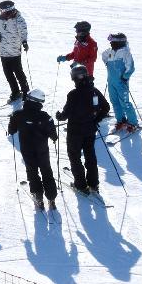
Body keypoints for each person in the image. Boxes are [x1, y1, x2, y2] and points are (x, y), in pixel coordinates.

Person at [55, 64, 110, 194]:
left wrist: (59, 116)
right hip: (90, 130)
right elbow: (106, 107)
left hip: (75, 132)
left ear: (75, 78)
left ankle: (81, 185)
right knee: (90, 155)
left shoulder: (73, 94)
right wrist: (96, 119)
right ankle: (93, 183)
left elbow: (66, 114)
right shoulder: (94, 91)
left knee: (75, 157)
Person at [8, 89, 59, 210]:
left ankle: (38, 195)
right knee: (46, 170)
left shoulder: (18, 114)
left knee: (32, 171)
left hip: (27, 149)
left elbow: (11, 131)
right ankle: (51, 197)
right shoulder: (46, 117)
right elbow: (54, 136)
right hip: (42, 149)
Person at [101, 32, 139, 133]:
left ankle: (133, 122)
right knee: (115, 101)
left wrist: (125, 77)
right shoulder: (110, 51)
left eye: (113, 41)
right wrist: (107, 63)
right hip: (111, 82)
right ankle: (120, 120)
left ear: (119, 42)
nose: (111, 43)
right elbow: (103, 55)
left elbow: (131, 67)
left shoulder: (125, 53)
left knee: (125, 103)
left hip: (121, 83)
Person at [0, 0, 29, 102]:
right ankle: (15, 91)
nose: (3, 13)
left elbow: (23, 31)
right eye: (2, 12)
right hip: (3, 52)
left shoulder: (18, 19)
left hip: (14, 51)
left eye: (4, 11)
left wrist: (24, 42)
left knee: (18, 73)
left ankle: (26, 91)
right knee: (8, 74)